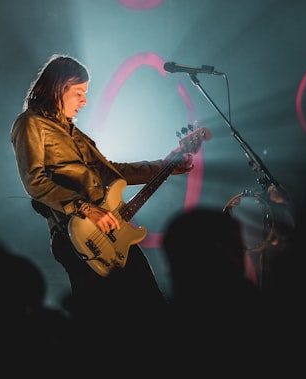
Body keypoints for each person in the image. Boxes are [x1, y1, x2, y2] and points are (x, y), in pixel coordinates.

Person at [10, 53, 195, 328]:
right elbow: (34, 181)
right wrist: (84, 208)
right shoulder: (31, 123)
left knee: (152, 309)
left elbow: (113, 172)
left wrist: (166, 165)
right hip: (75, 233)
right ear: (58, 88)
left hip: (111, 229)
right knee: (100, 318)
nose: (84, 101)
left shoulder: (74, 133)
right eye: (79, 93)